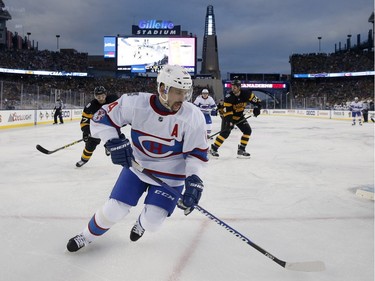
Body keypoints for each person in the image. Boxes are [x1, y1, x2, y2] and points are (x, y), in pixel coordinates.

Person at [66, 65, 209, 252]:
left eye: (185, 93)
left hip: (171, 176)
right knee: (114, 210)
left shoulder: (192, 116)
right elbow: (101, 119)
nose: (182, 98)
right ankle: (85, 236)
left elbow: (196, 154)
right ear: (163, 89)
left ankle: (142, 223)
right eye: (178, 92)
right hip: (137, 166)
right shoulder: (135, 103)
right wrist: (113, 141)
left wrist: (194, 178)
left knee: (153, 223)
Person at [210, 80, 262, 159]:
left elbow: (257, 102)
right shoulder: (229, 97)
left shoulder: (247, 94)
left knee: (247, 131)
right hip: (228, 116)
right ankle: (213, 149)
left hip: (239, 116)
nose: (233, 89)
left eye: (234, 87)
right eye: (232, 87)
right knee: (225, 133)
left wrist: (257, 108)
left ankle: (241, 150)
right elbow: (228, 112)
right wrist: (230, 122)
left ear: (239, 87)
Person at [76, 86, 119, 167]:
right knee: (90, 145)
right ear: (95, 96)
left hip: (109, 125)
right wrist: (86, 132)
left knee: (114, 140)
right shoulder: (90, 106)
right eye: (98, 97)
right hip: (95, 127)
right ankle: (83, 160)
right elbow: (84, 120)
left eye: (102, 96)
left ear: (106, 94)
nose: (101, 98)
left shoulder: (113, 100)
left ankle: (108, 146)